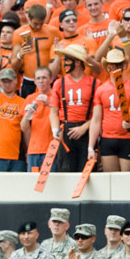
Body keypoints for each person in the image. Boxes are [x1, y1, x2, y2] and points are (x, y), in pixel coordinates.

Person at [49, 44, 98, 172]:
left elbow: (98, 114)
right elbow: (53, 111)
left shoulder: (94, 83)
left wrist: (84, 127)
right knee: (65, 171)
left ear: (77, 62)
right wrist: (55, 131)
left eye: (67, 60)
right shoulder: (59, 83)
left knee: (87, 172)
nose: (64, 63)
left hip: (87, 131)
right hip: (65, 130)